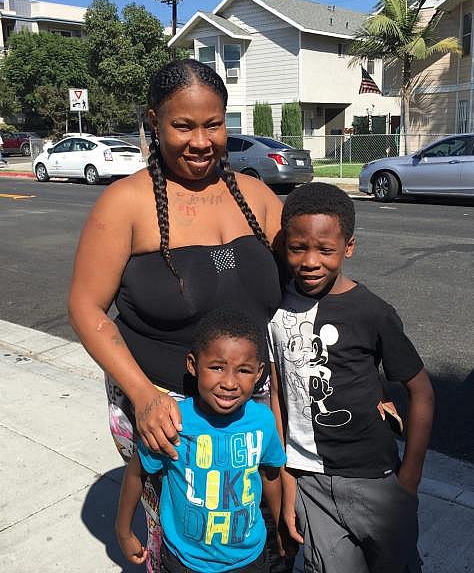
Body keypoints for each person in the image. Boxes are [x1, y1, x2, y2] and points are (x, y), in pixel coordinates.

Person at [68, 59, 283, 570]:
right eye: (183, 125)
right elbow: (85, 306)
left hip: (250, 401)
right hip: (163, 409)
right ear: (154, 122)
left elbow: (311, 281)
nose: (201, 141)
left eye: (213, 124)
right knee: (182, 538)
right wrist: (143, 397)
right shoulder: (124, 204)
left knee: (248, 525)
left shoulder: (257, 196)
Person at [268, 182, 435, 573]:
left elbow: (422, 392)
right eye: (298, 248)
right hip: (309, 481)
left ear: (349, 247)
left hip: (374, 480)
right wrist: (287, 474)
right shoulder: (274, 308)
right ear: (284, 245)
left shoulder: (372, 312)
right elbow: (277, 392)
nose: (311, 261)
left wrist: (408, 480)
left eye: (325, 250)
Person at [115, 308, 286, 572]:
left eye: (243, 370)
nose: (229, 382)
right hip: (185, 561)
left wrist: (281, 526)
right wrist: (123, 531)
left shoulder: (262, 420)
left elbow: (270, 475)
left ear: (259, 372)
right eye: (217, 367)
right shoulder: (173, 421)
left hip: (249, 559)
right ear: (193, 365)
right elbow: (137, 473)